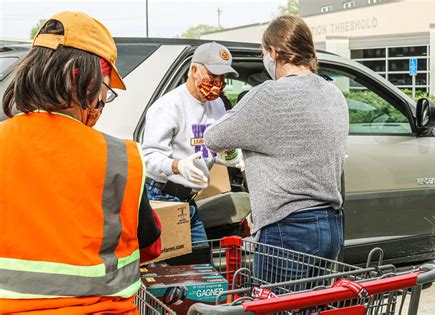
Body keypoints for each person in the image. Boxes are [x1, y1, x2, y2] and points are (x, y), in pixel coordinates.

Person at [0, 12, 161, 314]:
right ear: (84, 80)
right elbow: (151, 246)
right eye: (105, 90)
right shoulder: (120, 158)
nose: (102, 102)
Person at [204, 15, 348, 284]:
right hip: (331, 226)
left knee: (275, 307)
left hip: (288, 229)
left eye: (263, 52)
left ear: (273, 51)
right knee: (312, 306)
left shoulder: (269, 95)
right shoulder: (334, 94)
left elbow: (214, 137)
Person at [142, 42, 239, 243]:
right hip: (162, 197)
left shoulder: (218, 104)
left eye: (223, 78)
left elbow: (216, 147)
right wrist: (177, 166)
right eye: (212, 76)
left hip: (189, 201)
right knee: (174, 270)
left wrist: (233, 156)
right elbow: (148, 157)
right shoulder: (168, 107)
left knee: (200, 264)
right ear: (194, 70)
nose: (218, 83)